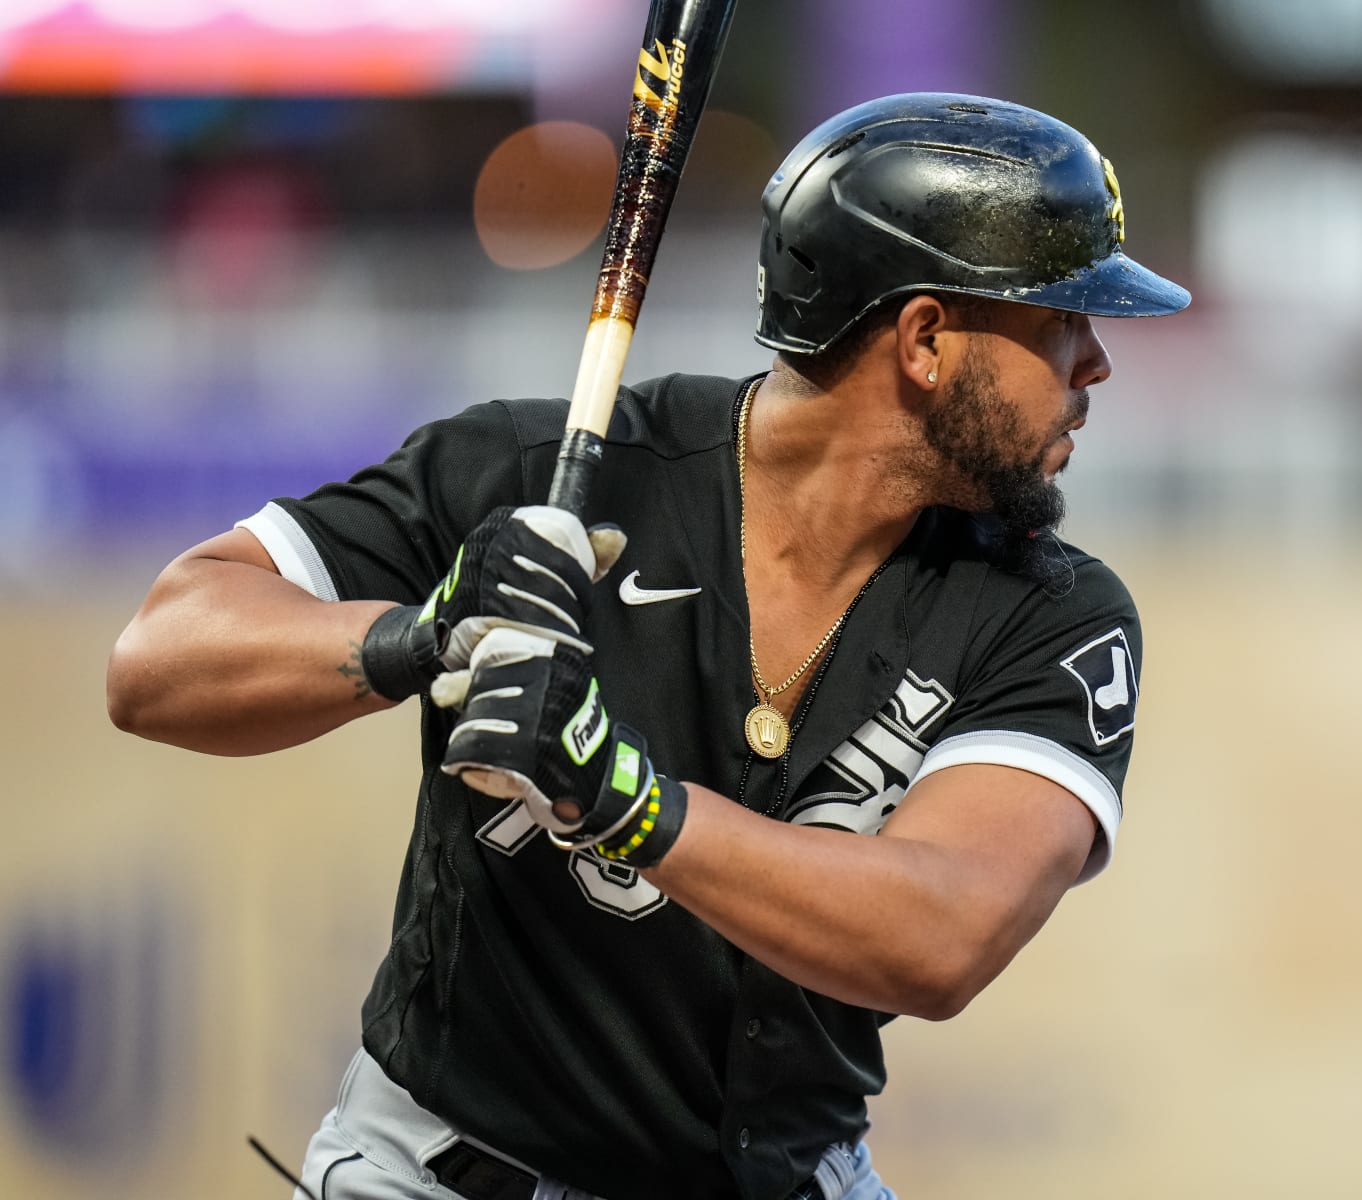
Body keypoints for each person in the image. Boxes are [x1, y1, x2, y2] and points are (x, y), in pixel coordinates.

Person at [107, 93, 1190, 1200]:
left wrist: (621, 796)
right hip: (448, 1173)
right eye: (1064, 319)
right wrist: (421, 636)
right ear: (923, 340)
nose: (1095, 364)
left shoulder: (1049, 610)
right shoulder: (536, 471)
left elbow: (940, 934)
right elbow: (157, 660)